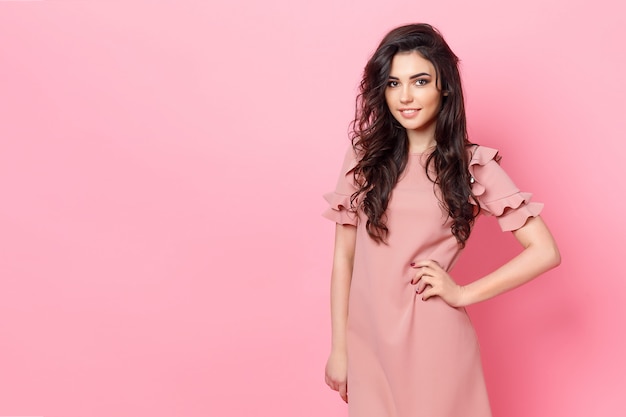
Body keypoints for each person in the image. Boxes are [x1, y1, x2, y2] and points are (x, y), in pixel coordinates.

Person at [322, 23, 560, 417]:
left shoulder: (472, 166)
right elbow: (343, 259)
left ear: (443, 86)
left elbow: (545, 250)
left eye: (419, 81)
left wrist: (463, 293)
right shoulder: (364, 159)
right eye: (394, 83)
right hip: (369, 344)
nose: (406, 96)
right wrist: (340, 348)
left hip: (435, 342)